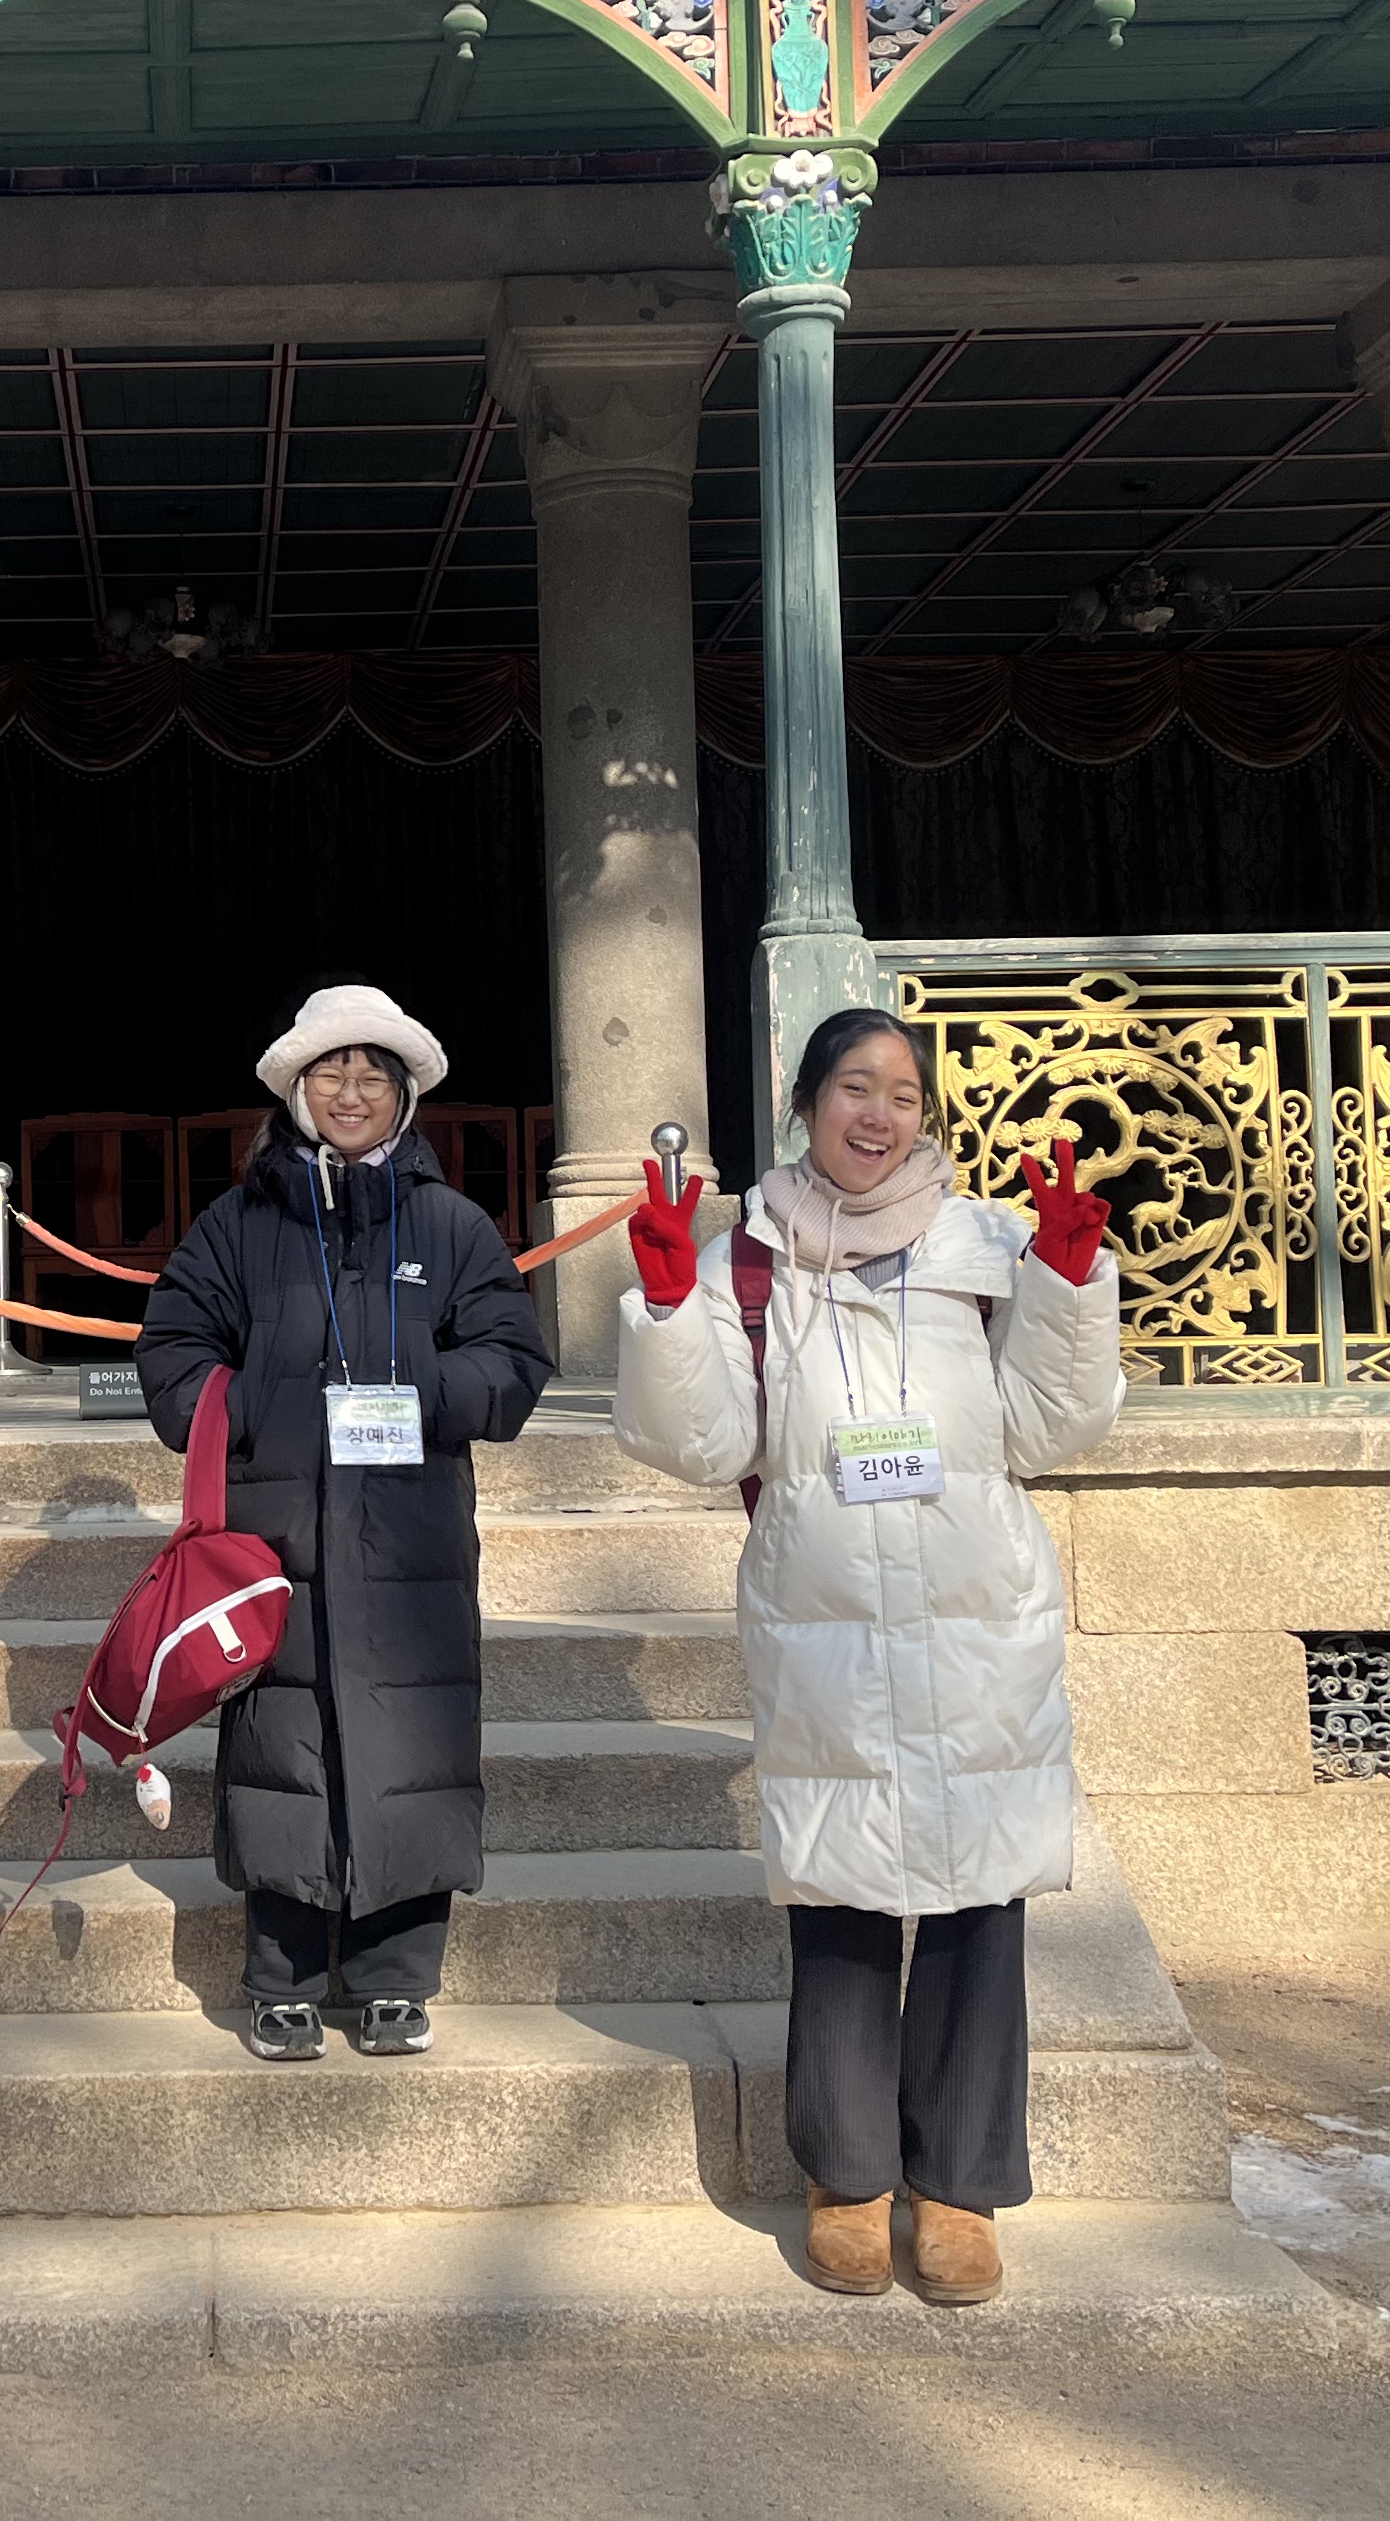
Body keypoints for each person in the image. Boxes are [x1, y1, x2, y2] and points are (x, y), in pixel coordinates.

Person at [610, 1005, 1119, 2308]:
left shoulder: (987, 1247)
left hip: (974, 1612)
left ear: (925, 1116)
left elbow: (1047, 1428)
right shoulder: (750, 1258)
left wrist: (1067, 1286)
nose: (878, 1112)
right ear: (805, 1103)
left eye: (902, 1092)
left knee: (977, 1902)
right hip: (824, 1619)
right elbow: (703, 1442)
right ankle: (848, 2179)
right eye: (853, 1085)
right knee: (840, 1898)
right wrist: (667, 1308)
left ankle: (958, 2186)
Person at [134, 983, 553, 2062]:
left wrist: (419, 1394)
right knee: (282, 1744)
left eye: (374, 1074)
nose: (353, 1091)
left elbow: (512, 1363)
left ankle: (395, 1976)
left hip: (411, 1543)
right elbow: (173, 1353)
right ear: (295, 1090)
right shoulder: (239, 1225)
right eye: (332, 1072)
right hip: (274, 1537)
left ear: (405, 1093)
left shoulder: (452, 1226)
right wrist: (263, 1414)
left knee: (412, 1747)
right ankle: (279, 1975)